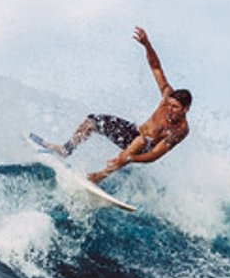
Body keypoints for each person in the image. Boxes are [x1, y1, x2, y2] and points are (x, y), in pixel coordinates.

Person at [38, 27, 192, 184]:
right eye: (168, 105)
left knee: (140, 141)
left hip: (145, 147)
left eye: (175, 107)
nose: (169, 110)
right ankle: (66, 149)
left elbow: (155, 155)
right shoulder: (167, 96)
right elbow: (156, 68)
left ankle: (98, 177)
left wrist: (131, 158)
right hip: (135, 132)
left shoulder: (180, 130)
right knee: (93, 121)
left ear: (185, 109)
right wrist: (147, 45)